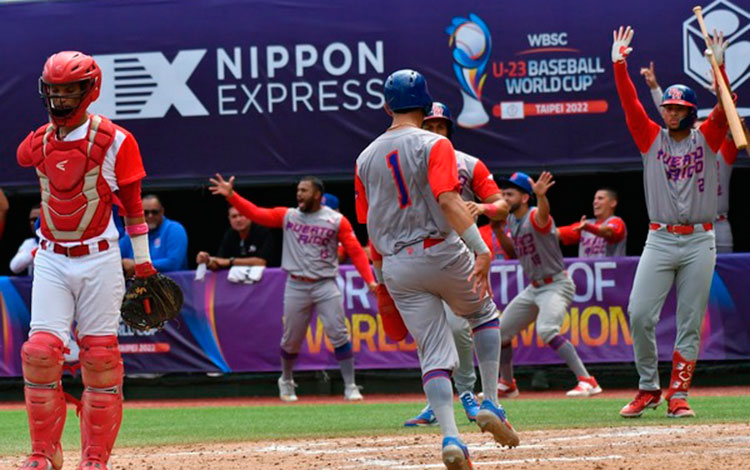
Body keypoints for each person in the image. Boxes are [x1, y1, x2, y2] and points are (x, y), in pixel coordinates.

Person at [355, 69, 519, 469]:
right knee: (482, 314)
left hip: (396, 263)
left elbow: (368, 222)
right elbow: (448, 200)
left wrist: (380, 276)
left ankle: (450, 437)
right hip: (441, 249)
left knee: (433, 352)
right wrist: (480, 249)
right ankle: (492, 404)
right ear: (427, 105)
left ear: (386, 105)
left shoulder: (364, 158)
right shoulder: (436, 143)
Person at [15, 50, 156, 470]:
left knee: (100, 357)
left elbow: (133, 206)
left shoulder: (115, 140)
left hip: (100, 258)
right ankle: (44, 451)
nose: (60, 98)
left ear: (89, 90)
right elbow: (24, 156)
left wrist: (145, 264)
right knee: (39, 352)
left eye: (69, 90)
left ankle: (95, 457)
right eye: (54, 90)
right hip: (52, 257)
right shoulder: (38, 141)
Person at [612, 26, 729, 418]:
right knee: (640, 313)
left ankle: (679, 394)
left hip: (699, 239)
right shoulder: (650, 138)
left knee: (690, 321)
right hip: (660, 238)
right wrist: (619, 64)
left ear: (691, 112)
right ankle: (649, 387)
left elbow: (726, 105)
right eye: (668, 107)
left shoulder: (709, 138)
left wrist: (719, 65)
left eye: (678, 108)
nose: (671, 111)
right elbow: (630, 105)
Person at [208, 175, 377, 402]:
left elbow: (355, 251)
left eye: (304, 190)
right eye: (298, 190)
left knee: (339, 333)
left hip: (325, 283)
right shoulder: (289, 216)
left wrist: (370, 280)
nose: (299, 194)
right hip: (296, 284)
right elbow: (257, 213)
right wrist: (232, 196)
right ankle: (286, 379)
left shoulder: (335, 220)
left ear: (317, 195)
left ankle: (350, 384)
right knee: (291, 339)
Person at [403, 102, 509, 427]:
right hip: (419, 252)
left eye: (441, 127)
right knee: (429, 332)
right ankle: (437, 401)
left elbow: (502, 206)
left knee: (458, 327)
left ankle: (465, 390)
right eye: (430, 126)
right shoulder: (406, 162)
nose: (435, 132)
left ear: (449, 130)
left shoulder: (467, 163)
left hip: (460, 253)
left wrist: (482, 208)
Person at [493, 171, 601, 398]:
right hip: (534, 287)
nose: (504, 198)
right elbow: (513, 253)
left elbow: (543, 216)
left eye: (510, 194)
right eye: (502, 193)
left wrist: (541, 197)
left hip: (556, 284)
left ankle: (587, 380)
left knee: (546, 329)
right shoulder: (512, 219)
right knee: (499, 333)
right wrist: (497, 230)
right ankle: (507, 384)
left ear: (524, 197)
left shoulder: (534, 215)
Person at [640, 44, 745, 253]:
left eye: (702, 129)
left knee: (720, 280)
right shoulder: (677, 145)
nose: (698, 133)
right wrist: (655, 89)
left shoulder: (720, 150)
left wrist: (720, 72)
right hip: (684, 228)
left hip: (717, 223)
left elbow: (726, 113)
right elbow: (670, 116)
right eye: (696, 128)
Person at [119, 194, 188, 276]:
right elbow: (117, 257)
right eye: (146, 213)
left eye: (154, 212)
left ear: (162, 211)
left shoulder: (174, 229)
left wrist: (137, 265)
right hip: (139, 286)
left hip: (170, 285)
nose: (150, 216)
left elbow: (173, 263)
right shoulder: (131, 234)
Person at [196, 206, 276, 270]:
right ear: (229, 219)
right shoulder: (230, 234)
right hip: (237, 283)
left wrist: (231, 261)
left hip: (266, 282)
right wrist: (207, 261)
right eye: (234, 216)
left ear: (250, 215)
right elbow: (219, 262)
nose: (238, 220)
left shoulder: (262, 231)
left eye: (242, 215)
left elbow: (261, 262)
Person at [557, 188, 627, 257]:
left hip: (612, 268)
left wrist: (588, 227)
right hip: (587, 268)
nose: (595, 202)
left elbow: (608, 232)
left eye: (600, 198)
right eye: (594, 199)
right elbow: (555, 233)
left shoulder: (617, 222)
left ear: (613, 203)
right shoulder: (586, 224)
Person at [10, 205, 41, 275]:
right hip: (33, 283)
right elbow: (14, 267)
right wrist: (36, 251)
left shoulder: (58, 242)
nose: (32, 223)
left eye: (36, 219)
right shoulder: (29, 243)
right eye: (31, 220)